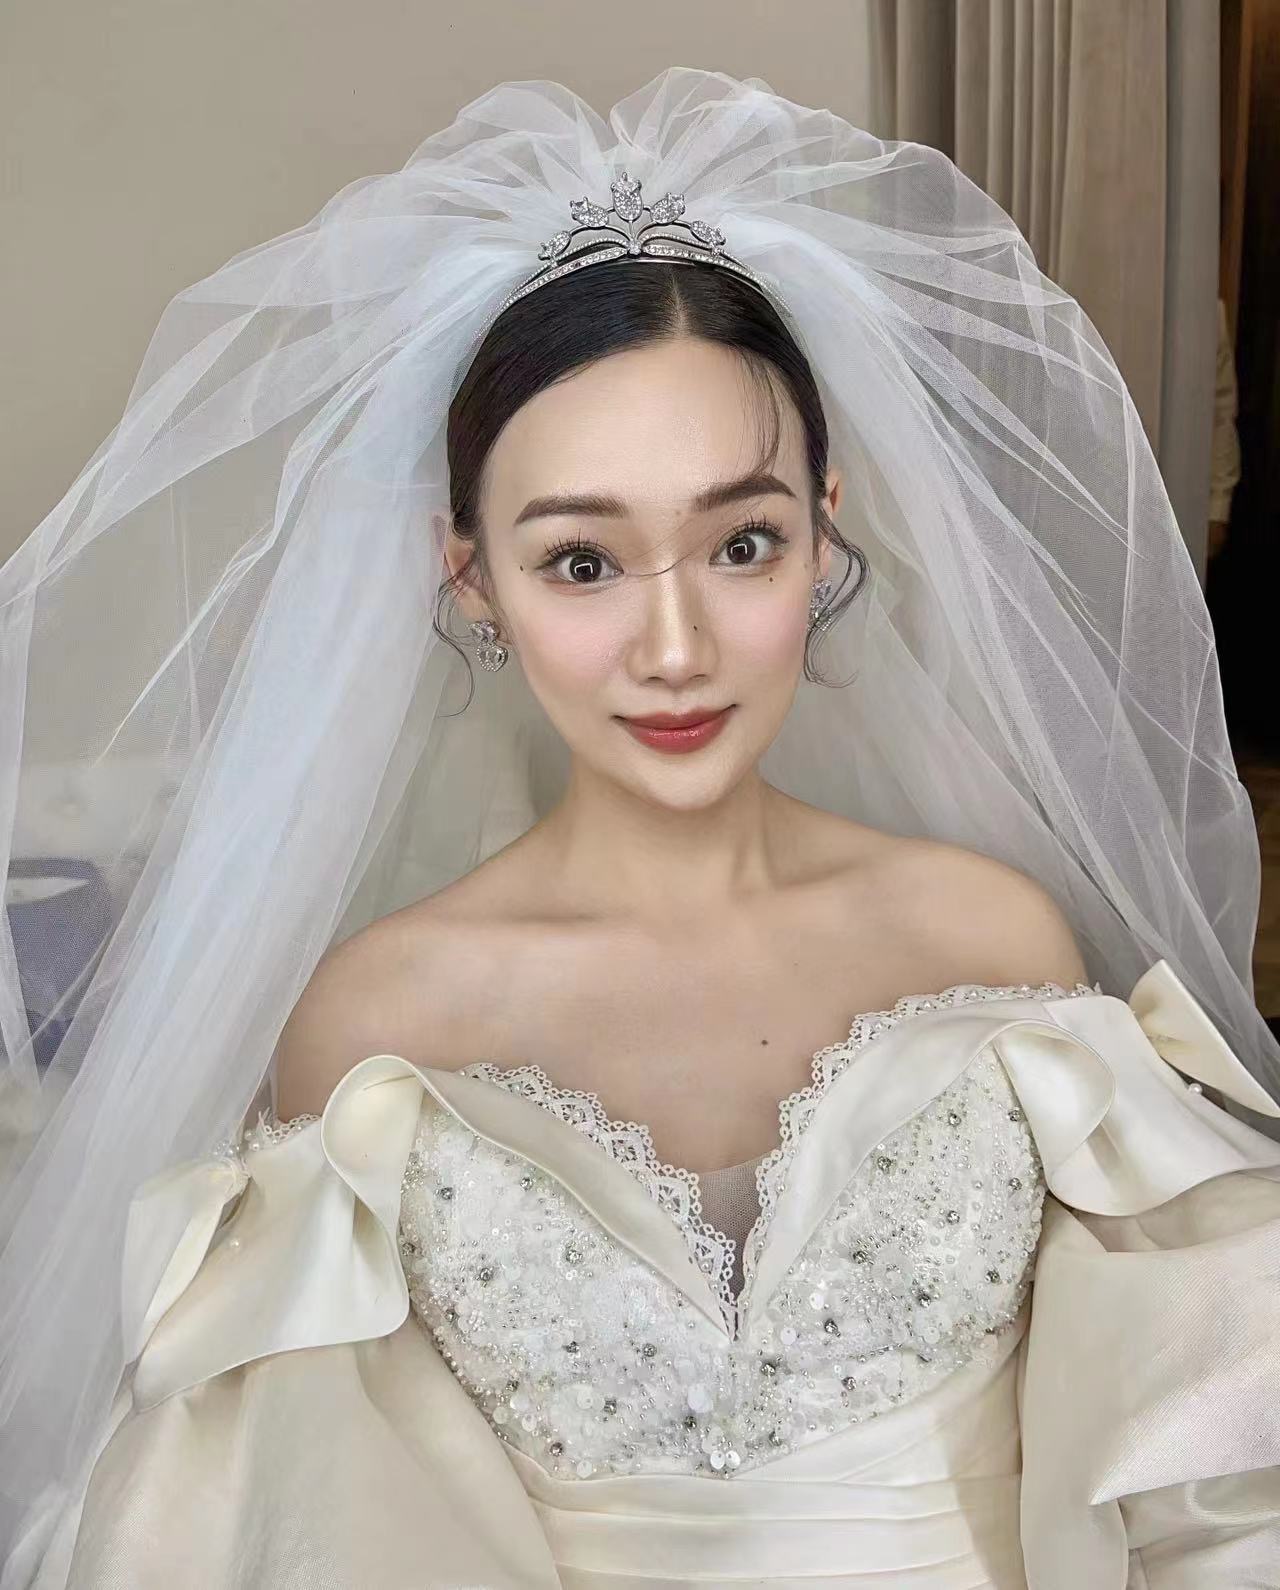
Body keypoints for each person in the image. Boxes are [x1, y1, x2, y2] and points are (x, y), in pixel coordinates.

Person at [1, 67, 1278, 1590]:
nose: (676, 648)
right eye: (582, 563)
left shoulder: (993, 942)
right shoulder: (378, 1028)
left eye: (743, 542)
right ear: (470, 577)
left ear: (825, 534)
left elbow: (1165, 1451)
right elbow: (323, 1520)